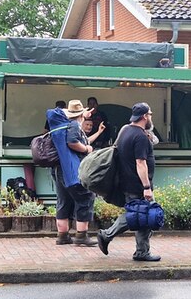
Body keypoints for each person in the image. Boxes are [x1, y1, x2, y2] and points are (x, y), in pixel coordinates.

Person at [97, 102, 161, 262]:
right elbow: (141, 163)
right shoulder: (139, 137)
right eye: (150, 114)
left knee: (142, 216)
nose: (151, 117)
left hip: (126, 181)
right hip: (137, 184)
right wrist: (146, 187)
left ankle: (141, 251)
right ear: (145, 116)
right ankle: (107, 235)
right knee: (140, 214)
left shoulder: (125, 130)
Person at [52, 99, 103, 246]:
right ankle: (81, 236)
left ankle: (62, 236)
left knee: (63, 201)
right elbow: (72, 142)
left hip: (60, 168)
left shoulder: (64, 124)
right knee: (85, 197)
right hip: (72, 170)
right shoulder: (74, 125)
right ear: (80, 115)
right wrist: (87, 149)